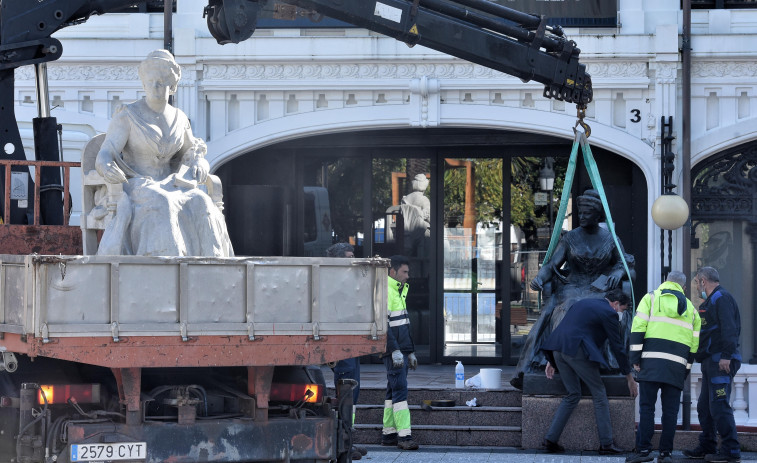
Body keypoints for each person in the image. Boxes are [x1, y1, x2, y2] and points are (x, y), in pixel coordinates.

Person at [95, 49, 233, 257]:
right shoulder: (128, 115)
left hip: (172, 183)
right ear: (143, 84)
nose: (155, 87)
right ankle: (166, 265)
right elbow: (105, 153)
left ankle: (211, 264)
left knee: (201, 201)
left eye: (161, 82)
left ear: (172, 86)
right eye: (150, 82)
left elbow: (193, 154)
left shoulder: (180, 118)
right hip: (139, 183)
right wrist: (106, 167)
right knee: (163, 202)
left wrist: (199, 165)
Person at [511, 189, 635, 388]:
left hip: (600, 288)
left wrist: (618, 273)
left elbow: (625, 266)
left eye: (587, 213)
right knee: (567, 307)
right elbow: (552, 265)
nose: (582, 216)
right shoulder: (570, 238)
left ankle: (596, 361)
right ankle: (561, 361)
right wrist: (539, 278)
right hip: (573, 285)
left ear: (597, 214)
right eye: (580, 212)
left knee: (600, 309)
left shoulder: (611, 239)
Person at [541, 288, 638, 454]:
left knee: (573, 394)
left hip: (558, 349)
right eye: (623, 309)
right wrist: (629, 377)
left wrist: (551, 360)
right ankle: (606, 444)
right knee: (599, 392)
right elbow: (617, 346)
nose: (621, 313)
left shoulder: (583, 303)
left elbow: (564, 326)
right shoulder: (610, 313)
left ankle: (551, 439)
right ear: (615, 304)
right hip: (577, 351)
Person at [626, 271, 700, 463]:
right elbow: (694, 345)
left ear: (665, 281)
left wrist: (635, 359)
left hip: (650, 363)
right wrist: (686, 368)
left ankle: (643, 451)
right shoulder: (692, 309)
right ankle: (666, 453)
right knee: (671, 412)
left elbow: (638, 328)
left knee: (647, 408)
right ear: (683, 287)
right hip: (676, 368)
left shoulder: (650, 298)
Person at [683, 267, 742, 463]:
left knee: (719, 405)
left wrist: (726, 356)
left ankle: (731, 451)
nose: (696, 287)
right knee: (704, 407)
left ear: (702, 281)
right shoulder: (711, 300)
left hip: (720, 361)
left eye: (696, 283)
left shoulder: (721, 298)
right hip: (711, 360)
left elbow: (729, 329)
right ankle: (707, 445)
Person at [325, 243, 367, 461]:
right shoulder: (330, 282)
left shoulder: (346, 281)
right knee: (346, 394)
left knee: (353, 394)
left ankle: (348, 441)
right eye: (349, 257)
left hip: (351, 342)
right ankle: (344, 445)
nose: (353, 260)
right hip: (341, 344)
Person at [381, 255, 419, 451]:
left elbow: (403, 325)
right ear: (392, 271)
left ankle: (388, 434)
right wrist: (395, 350)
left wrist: (409, 352)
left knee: (392, 390)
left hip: (400, 351)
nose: (407, 276)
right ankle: (404, 437)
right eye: (404, 272)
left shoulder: (398, 290)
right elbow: (384, 326)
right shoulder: (387, 291)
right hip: (394, 352)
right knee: (400, 392)